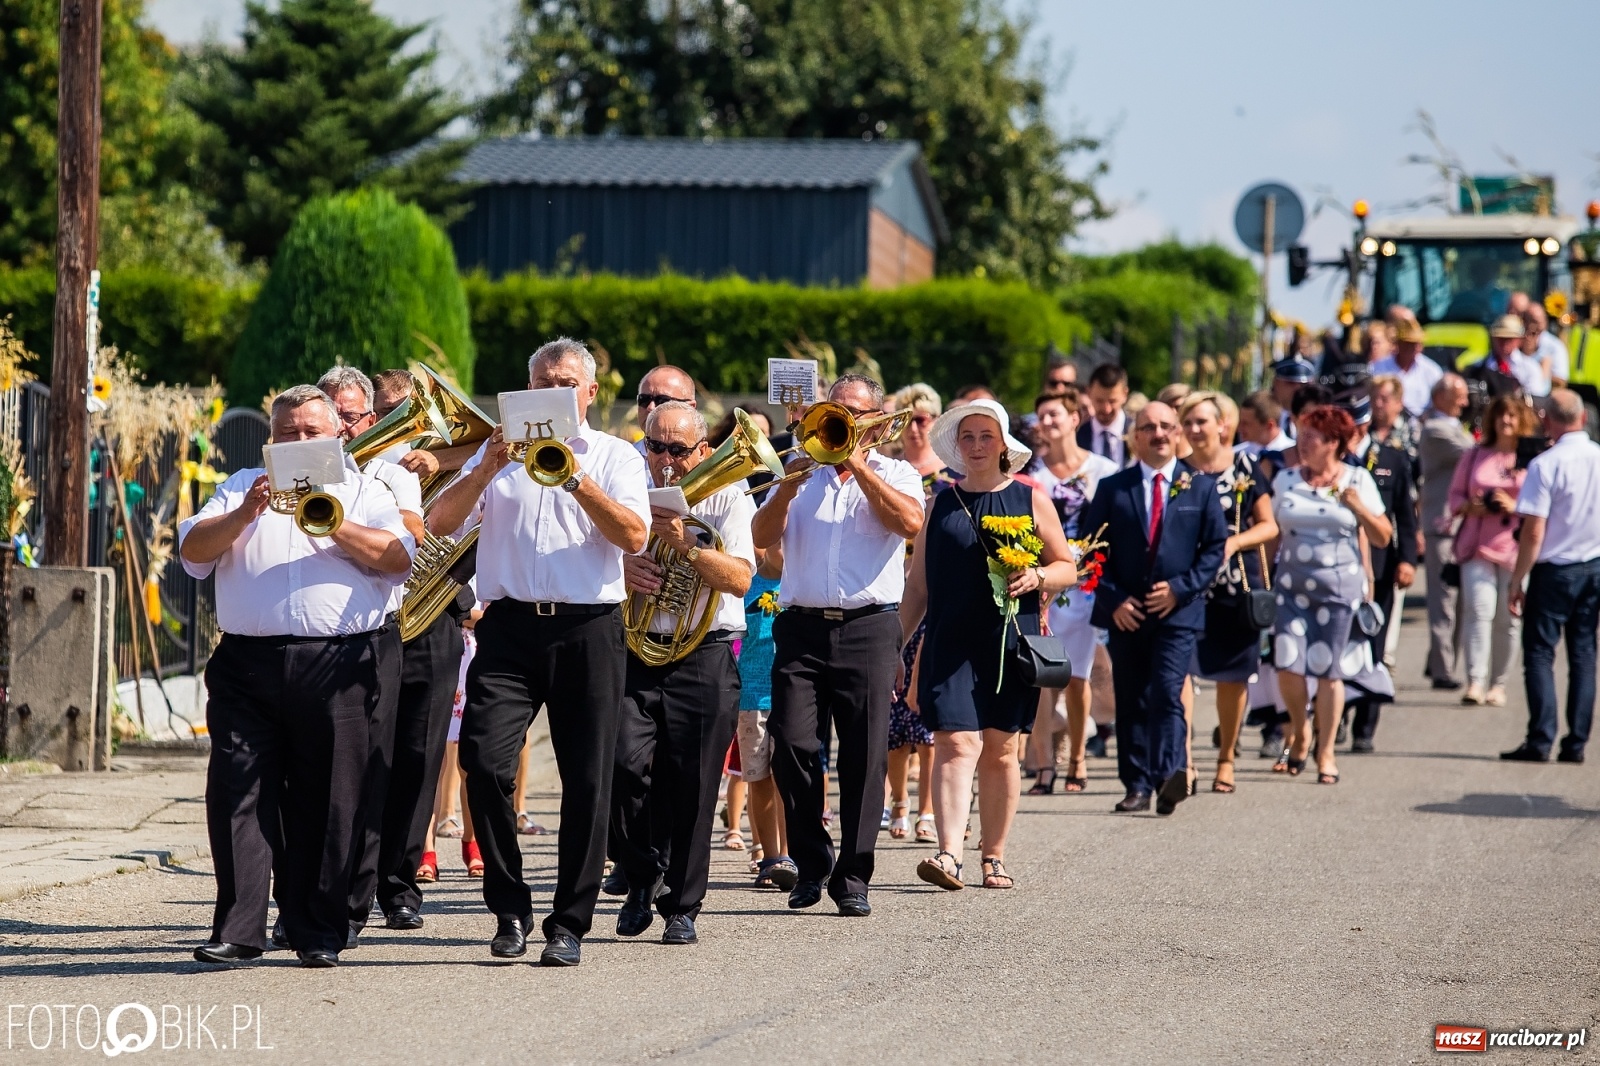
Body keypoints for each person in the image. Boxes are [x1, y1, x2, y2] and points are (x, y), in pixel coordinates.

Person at [428, 337, 650, 967]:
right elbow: (440, 524)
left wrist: (574, 478)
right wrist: (483, 466)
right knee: (482, 759)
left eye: (565, 382)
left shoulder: (613, 457)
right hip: (511, 627)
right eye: (541, 382)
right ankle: (509, 905)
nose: (553, 391)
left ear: (589, 393)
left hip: (590, 628)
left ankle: (569, 923)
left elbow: (633, 534)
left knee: (587, 778)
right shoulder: (496, 458)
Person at [180, 386, 415, 967]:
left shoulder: (365, 489)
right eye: (288, 433)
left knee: (330, 800)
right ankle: (239, 929)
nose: (300, 441)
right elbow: (192, 552)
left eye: (313, 432)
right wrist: (244, 514)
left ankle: (318, 931)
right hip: (247, 663)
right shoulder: (240, 485)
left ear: (338, 435)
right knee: (238, 791)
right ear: (271, 440)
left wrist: (333, 525)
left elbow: (397, 556)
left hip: (336, 663)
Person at [751, 374, 923, 917]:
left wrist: (861, 465)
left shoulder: (897, 472)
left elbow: (910, 522)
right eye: (834, 410)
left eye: (851, 412)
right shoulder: (800, 471)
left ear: (873, 421)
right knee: (792, 743)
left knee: (866, 756)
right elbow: (761, 539)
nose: (839, 420)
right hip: (800, 626)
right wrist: (786, 485)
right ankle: (811, 860)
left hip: (869, 627)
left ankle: (854, 875)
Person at [902, 399, 1076, 890]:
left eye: (986, 436)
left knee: (1001, 751)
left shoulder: (1030, 498)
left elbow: (1068, 566)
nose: (977, 445)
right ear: (957, 446)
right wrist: (895, 644)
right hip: (949, 643)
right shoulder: (937, 504)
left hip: (1010, 643)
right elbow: (918, 588)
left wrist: (1039, 574)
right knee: (955, 743)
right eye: (968, 437)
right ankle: (949, 854)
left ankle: (993, 854)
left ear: (1004, 444)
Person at [609, 401, 755, 946]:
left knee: (694, 784)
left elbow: (740, 578)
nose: (665, 462)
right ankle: (643, 872)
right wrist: (624, 568)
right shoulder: (624, 492)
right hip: (636, 649)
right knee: (621, 767)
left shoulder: (728, 496)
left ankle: (682, 906)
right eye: (655, 447)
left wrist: (688, 548)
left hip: (705, 652)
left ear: (702, 451)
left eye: (677, 449)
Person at [1080, 401, 1228, 815]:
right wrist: (1113, 599)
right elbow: (1091, 551)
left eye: (1166, 426)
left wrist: (1181, 589)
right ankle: (1137, 784)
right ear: (1136, 436)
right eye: (1148, 427)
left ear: (1177, 432)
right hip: (1126, 612)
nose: (1158, 433)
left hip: (1176, 613)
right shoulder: (1114, 487)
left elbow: (1214, 548)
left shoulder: (1198, 486)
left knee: (1166, 693)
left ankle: (1169, 775)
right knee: (1131, 698)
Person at [1269, 405, 1393, 784]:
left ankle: (1326, 752)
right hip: (1291, 590)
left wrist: (1356, 506)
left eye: (1312, 437)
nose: (1302, 443)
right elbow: (1272, 532)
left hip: (1339, 592)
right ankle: (1299, 727)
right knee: (1287, 663)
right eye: (1301, 435)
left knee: (1329, 672)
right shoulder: (1286, 480)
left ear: (1334, 443)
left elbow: (1383, 536)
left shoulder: (1358, 480)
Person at [1179, 392, 1277, 792]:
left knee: (1232, 677)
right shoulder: (1178, 472)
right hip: (1186, 588)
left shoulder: (1245, 467)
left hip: (1236, 586)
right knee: (1180, 673)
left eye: (1202, 421)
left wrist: (1234, 542)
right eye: (1188, 422)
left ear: (1223, 425)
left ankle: (1226, 758)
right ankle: (1182, 759)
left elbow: (1269, 525)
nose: (1194, 429)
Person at [1026, 388, 1117, 792]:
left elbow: (1114, 529)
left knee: (1077, 675)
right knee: (1042, 675)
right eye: (1041, 416)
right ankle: (1044, 763)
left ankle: (1078, 757)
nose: (1047, 422)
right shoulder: (1033, 475)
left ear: (1074, 419)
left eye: (1054, 415)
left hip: (1086, 585)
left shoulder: (1104, 471)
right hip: (1043, 582)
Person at [1504, 389, 1600, 763]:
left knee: (1541, 654)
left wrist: (1518, 579)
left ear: (1549, 420)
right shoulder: (1596, 457)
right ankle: (1576, 741)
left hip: (1555, 568)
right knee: (1583, 654)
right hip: (1592, 564)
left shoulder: (1547, 464)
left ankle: (1541, 738)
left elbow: (1533, 531)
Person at [884, 384, 948, 840]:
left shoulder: (948, 478)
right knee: (892, 713)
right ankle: (898, 801)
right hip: (892, 592)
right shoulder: (889, 471)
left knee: (925, 710)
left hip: (933, 595)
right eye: (907, 418)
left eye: (924, 418)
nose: (915, 427)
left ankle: (927, 807)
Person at [1447, 395, 1534, 706]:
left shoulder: (1531, 459)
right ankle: (1475, 681)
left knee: (1508, 619)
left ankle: (1498, 683)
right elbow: (1454, 498)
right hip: (1477, 545)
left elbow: (1545, 505)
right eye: (1501, 416)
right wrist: (1471, 507)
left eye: (1512, 416)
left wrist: (1516, 506)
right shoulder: (1474, 455)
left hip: (1515, 547)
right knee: (1478, 612)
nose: (1506, 421)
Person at [1339, 394, 1412, 753]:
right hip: (1339, 568)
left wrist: (1408, 560)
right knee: (1338, 645)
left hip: (1380, 569)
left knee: (1373, 646)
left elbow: (1404, 516)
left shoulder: (1392, 457)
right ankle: (1335, 716)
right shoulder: (1333, 461)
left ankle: (1364, 728)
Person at [737, 546, 796, 889]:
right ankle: (769, 857)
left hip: (790, 693)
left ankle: (789, 855)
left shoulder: (800, 585)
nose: (782, 549)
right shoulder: (747, 583)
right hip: (750, 695)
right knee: (758, 778)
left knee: (787, 777)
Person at [1417, 374, 1472, 690]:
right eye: (1459, 396)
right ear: (1441, 397)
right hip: (1441, 526)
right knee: (1444, 602)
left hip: (1461, 526)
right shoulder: (1435, 430)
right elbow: (1476, 452)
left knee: (1459, 602)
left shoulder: (1452, 427)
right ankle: (1443, 670)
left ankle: (1439, 659)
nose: (1465, 402)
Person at [1371, 318, 1445, 419]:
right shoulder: (1378, 367)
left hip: (1422, 424)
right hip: (1386, 420)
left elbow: (1439, 404)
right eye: (1408, 344)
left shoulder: (1432, 371)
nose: (1413, 348)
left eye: (1416, 344)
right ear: (1398, 344)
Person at [1078, 363, 1133, 467]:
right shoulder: (1078, 436)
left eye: (1112, 401)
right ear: (1089, 393)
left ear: (1125, 395)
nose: (1106, 409)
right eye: (1099, 401)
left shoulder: (1136, 433)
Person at [1472, 316, 1543, 396]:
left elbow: (1535, 398)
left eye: (1509, 338)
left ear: (1519, 340)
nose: (1505, 343)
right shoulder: (1479, 367)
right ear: (1493, 339)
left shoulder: (1530, 368)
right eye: (1501, 338)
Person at [1369, 375, 1418, 466]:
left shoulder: (1412, 430)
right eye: (1374, 398)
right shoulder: (1364, 431)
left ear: (1399, 402)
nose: (1378, 404)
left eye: (1384, 399)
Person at [1522, 303, 1569, 389]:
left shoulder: (1555, 346)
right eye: (1532, 321)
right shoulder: (1516, 342)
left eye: (1539, 322)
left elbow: (1561, 381)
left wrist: (1539, 375)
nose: (1535, 327)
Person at [1270, 358, 1318, 440]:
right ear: (1276, 383)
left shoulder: (1317, 418)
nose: (1297, 388)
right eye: (1290, 383)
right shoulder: (1263, 414)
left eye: (1303, 384)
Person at [1235, 391, 1293, 457]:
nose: (1239, 428)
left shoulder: (1293, 457)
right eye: (1240, 422)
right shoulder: (1237, 455)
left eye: (1246, 424)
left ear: (1269, 425)